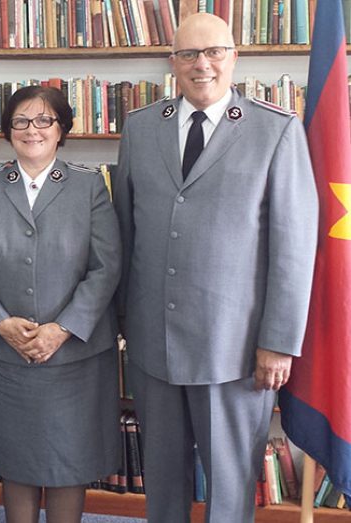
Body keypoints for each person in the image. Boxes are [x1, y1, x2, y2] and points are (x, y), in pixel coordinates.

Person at [112, 13, 318, 523]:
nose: (201, 64)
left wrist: (279, 342)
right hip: (153, 340)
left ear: (234, 57)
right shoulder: (141, 128)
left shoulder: (276, 130)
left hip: (235, 347)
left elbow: (294, 246)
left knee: (229, 484)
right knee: (162, 479)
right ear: (172, 62)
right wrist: (123, 321)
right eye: (188, 54)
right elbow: (124, 233)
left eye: (214, 52)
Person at [0, 85, 122, 523]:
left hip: (75, 356)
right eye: (21, 121)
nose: (33, 130)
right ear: (8, 131)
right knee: (16, 461)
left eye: (44, 120)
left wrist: (61, 329)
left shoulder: (89, 188)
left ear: (61, 128)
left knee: (70, 463)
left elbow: (106, 268)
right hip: (6, 355)